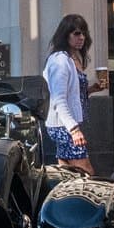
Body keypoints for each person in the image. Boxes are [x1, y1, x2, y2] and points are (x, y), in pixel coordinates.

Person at [44, 14, 95, 175]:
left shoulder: (71, 58)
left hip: (64, 124)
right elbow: (59, 98)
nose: (82, 37)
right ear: (65, 35)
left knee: (68, 175)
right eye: (77, 33)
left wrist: (92, 89)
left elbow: (72, 93)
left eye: (84, 33)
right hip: (63, 125)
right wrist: (73, 129)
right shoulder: (60, 60)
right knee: (87, 174)